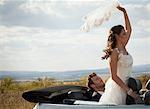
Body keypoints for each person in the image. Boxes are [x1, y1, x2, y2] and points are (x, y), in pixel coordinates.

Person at [99, 5, 141, 105]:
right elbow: (114, 76)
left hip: (128, 85)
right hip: (117, 90)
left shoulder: (124, 46)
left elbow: (129, 30)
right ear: (117, 36)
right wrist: (129, 91)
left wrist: (124, 12)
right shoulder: (115, 52)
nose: (126, 35)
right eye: (123, 34)